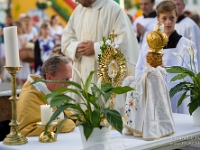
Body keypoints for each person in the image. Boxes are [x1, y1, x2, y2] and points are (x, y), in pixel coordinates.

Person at [61, 0, 140, 114]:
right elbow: (66, 39)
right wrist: (76, 47)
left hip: (107, 76)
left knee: (107, 119)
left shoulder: (113, 9)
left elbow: (124, 41)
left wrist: (96, 48)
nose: (76, 1)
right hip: (82, 72)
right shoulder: (78, 11)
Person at [135, 0, 198, 114]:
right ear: (158, 19)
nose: (168, 22)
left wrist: (166, 73)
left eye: (171, 18)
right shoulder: (147, 47)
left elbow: (191, 74)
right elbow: (139, 72)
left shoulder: (186, 45)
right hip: (154, 98)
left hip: (178, 99)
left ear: (176, 18)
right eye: (164, 18)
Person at [123, 25, 175, 140]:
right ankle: (155, 127)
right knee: (152, 102)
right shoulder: (155, 75)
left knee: (151, 102)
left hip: (150, 77)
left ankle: (148, 128)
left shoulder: (155, 75)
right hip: (150, 77)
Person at [17, 55, 76, 136]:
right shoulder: (31, 95)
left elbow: (70, 117)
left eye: (69, 79)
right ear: (49, 77)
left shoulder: (57, 91)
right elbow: (25, 131)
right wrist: (60, 125)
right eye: (65, 79)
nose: (69, 84)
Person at [173, 0, 200, 72]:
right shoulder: (167, 26)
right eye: (173, 4)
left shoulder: (191, 25)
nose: (175, 7)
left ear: (183, 6)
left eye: (178, 4)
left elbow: (196, 50)